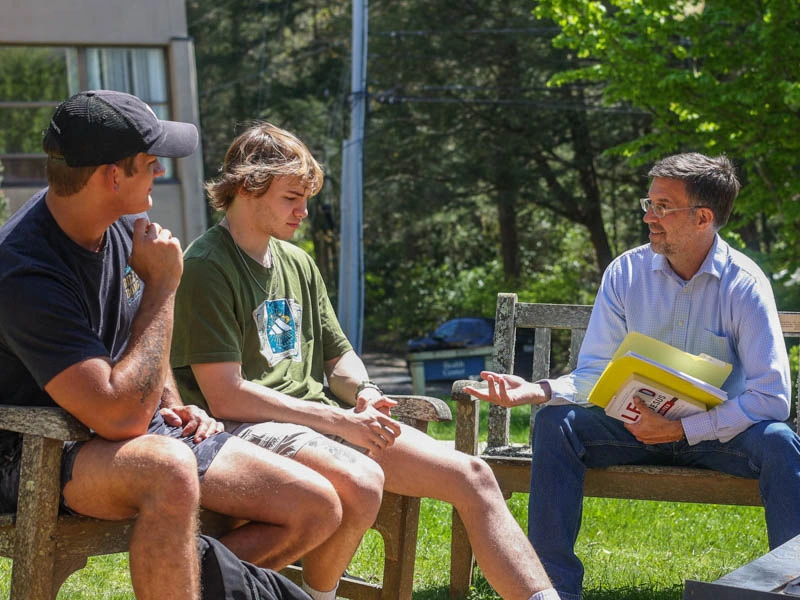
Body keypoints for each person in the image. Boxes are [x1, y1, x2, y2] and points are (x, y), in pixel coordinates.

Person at [170, 121, 560, 600]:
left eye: (306, 197)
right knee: (360, 481)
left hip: (314, 422)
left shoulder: (297, 262)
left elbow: (338, 357)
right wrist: (338, 419)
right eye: (292, 197)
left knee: (473, 475)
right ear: (249, 187)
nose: (304, 211)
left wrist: (367, 394)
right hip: (241, 429)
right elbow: (225, 394)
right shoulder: (208, 265)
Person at [0, 91, 343, 600]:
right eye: (150, 163)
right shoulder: (25, 271)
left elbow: (138, 345)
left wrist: (174, 403)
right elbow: (118, 416)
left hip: (120, 432)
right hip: (38, 450)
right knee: (169, 469)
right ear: (111, 176)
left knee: (315, 505)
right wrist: (163, 288)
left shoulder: (119, 232)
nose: (161, 171)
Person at [465, 152, 800, 600]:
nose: (649, 216)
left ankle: (792, 587)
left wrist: (684, 427)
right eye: (649, 203)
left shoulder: (744, 283)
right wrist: (539, 390)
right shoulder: (626, 272)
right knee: (555, 422)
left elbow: (771, 397)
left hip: (721, 439)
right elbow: (595, 371)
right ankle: (551, 592)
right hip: (634, 429)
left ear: (703, 217)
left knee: (780, 440)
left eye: (663, 206)